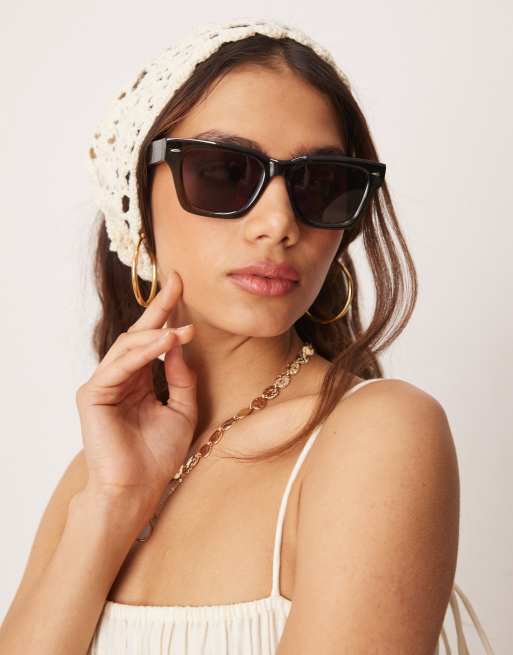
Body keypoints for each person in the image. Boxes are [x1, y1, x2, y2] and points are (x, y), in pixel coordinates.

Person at [0, 17, 495, 655]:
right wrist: (113, 501)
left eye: (320, 184)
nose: (279, 222)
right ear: (138, 200)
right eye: (224, 172)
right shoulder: (98, 474)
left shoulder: (376, 434)